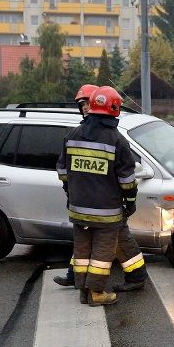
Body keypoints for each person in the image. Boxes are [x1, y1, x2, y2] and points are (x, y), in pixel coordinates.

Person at [56, 86, 139, 306]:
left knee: (82, 252)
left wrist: (70, 193)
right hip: (107, 212)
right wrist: (130, 203)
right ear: (114, 109)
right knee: (102, 254)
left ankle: (83, 291)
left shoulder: (71, 135)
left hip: (78, 209)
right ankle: (96, 293)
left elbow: (63, 171)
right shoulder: (116, 140)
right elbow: (127, 180)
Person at [54, 84, 97, 287]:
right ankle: (74, 276)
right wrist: (69, 189)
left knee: (113, 243)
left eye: (89, 103)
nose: (86, 108)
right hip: (83, 199)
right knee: (83, 241)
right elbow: (63, 167)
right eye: (83, 105)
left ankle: (135, 276)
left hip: (102, 200)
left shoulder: (107, 132)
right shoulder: (74, 134)